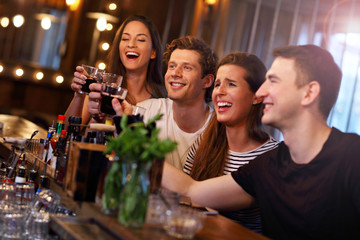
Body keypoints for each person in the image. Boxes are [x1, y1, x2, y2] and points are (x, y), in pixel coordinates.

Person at [161, 45, 360, 239]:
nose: (261, 92)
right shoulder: (269, 164)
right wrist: (136, 145)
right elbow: (192, 191)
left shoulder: (352, 156)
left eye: (273, 81)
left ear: (308, 93)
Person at [183, 52, 278, 233]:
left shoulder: (272, 155)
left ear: (257, 97)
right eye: (218, 84)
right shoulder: (203, 143)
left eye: (231, 84)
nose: (220, 92)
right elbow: (184, 199)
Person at [110, 36, 218, 170]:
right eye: (172, 66)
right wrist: (123, 127)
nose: (175, 73)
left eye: (187, 68)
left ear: (207, 81)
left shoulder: (218, 129)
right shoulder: (144, 111)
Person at [64, 14, 166, 125]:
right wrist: (79, 95)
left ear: (153, 52)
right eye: (125, 39)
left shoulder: (163, 98)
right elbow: (66, 130)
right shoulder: (103, 88)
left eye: (141, 40)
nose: (131, 44)